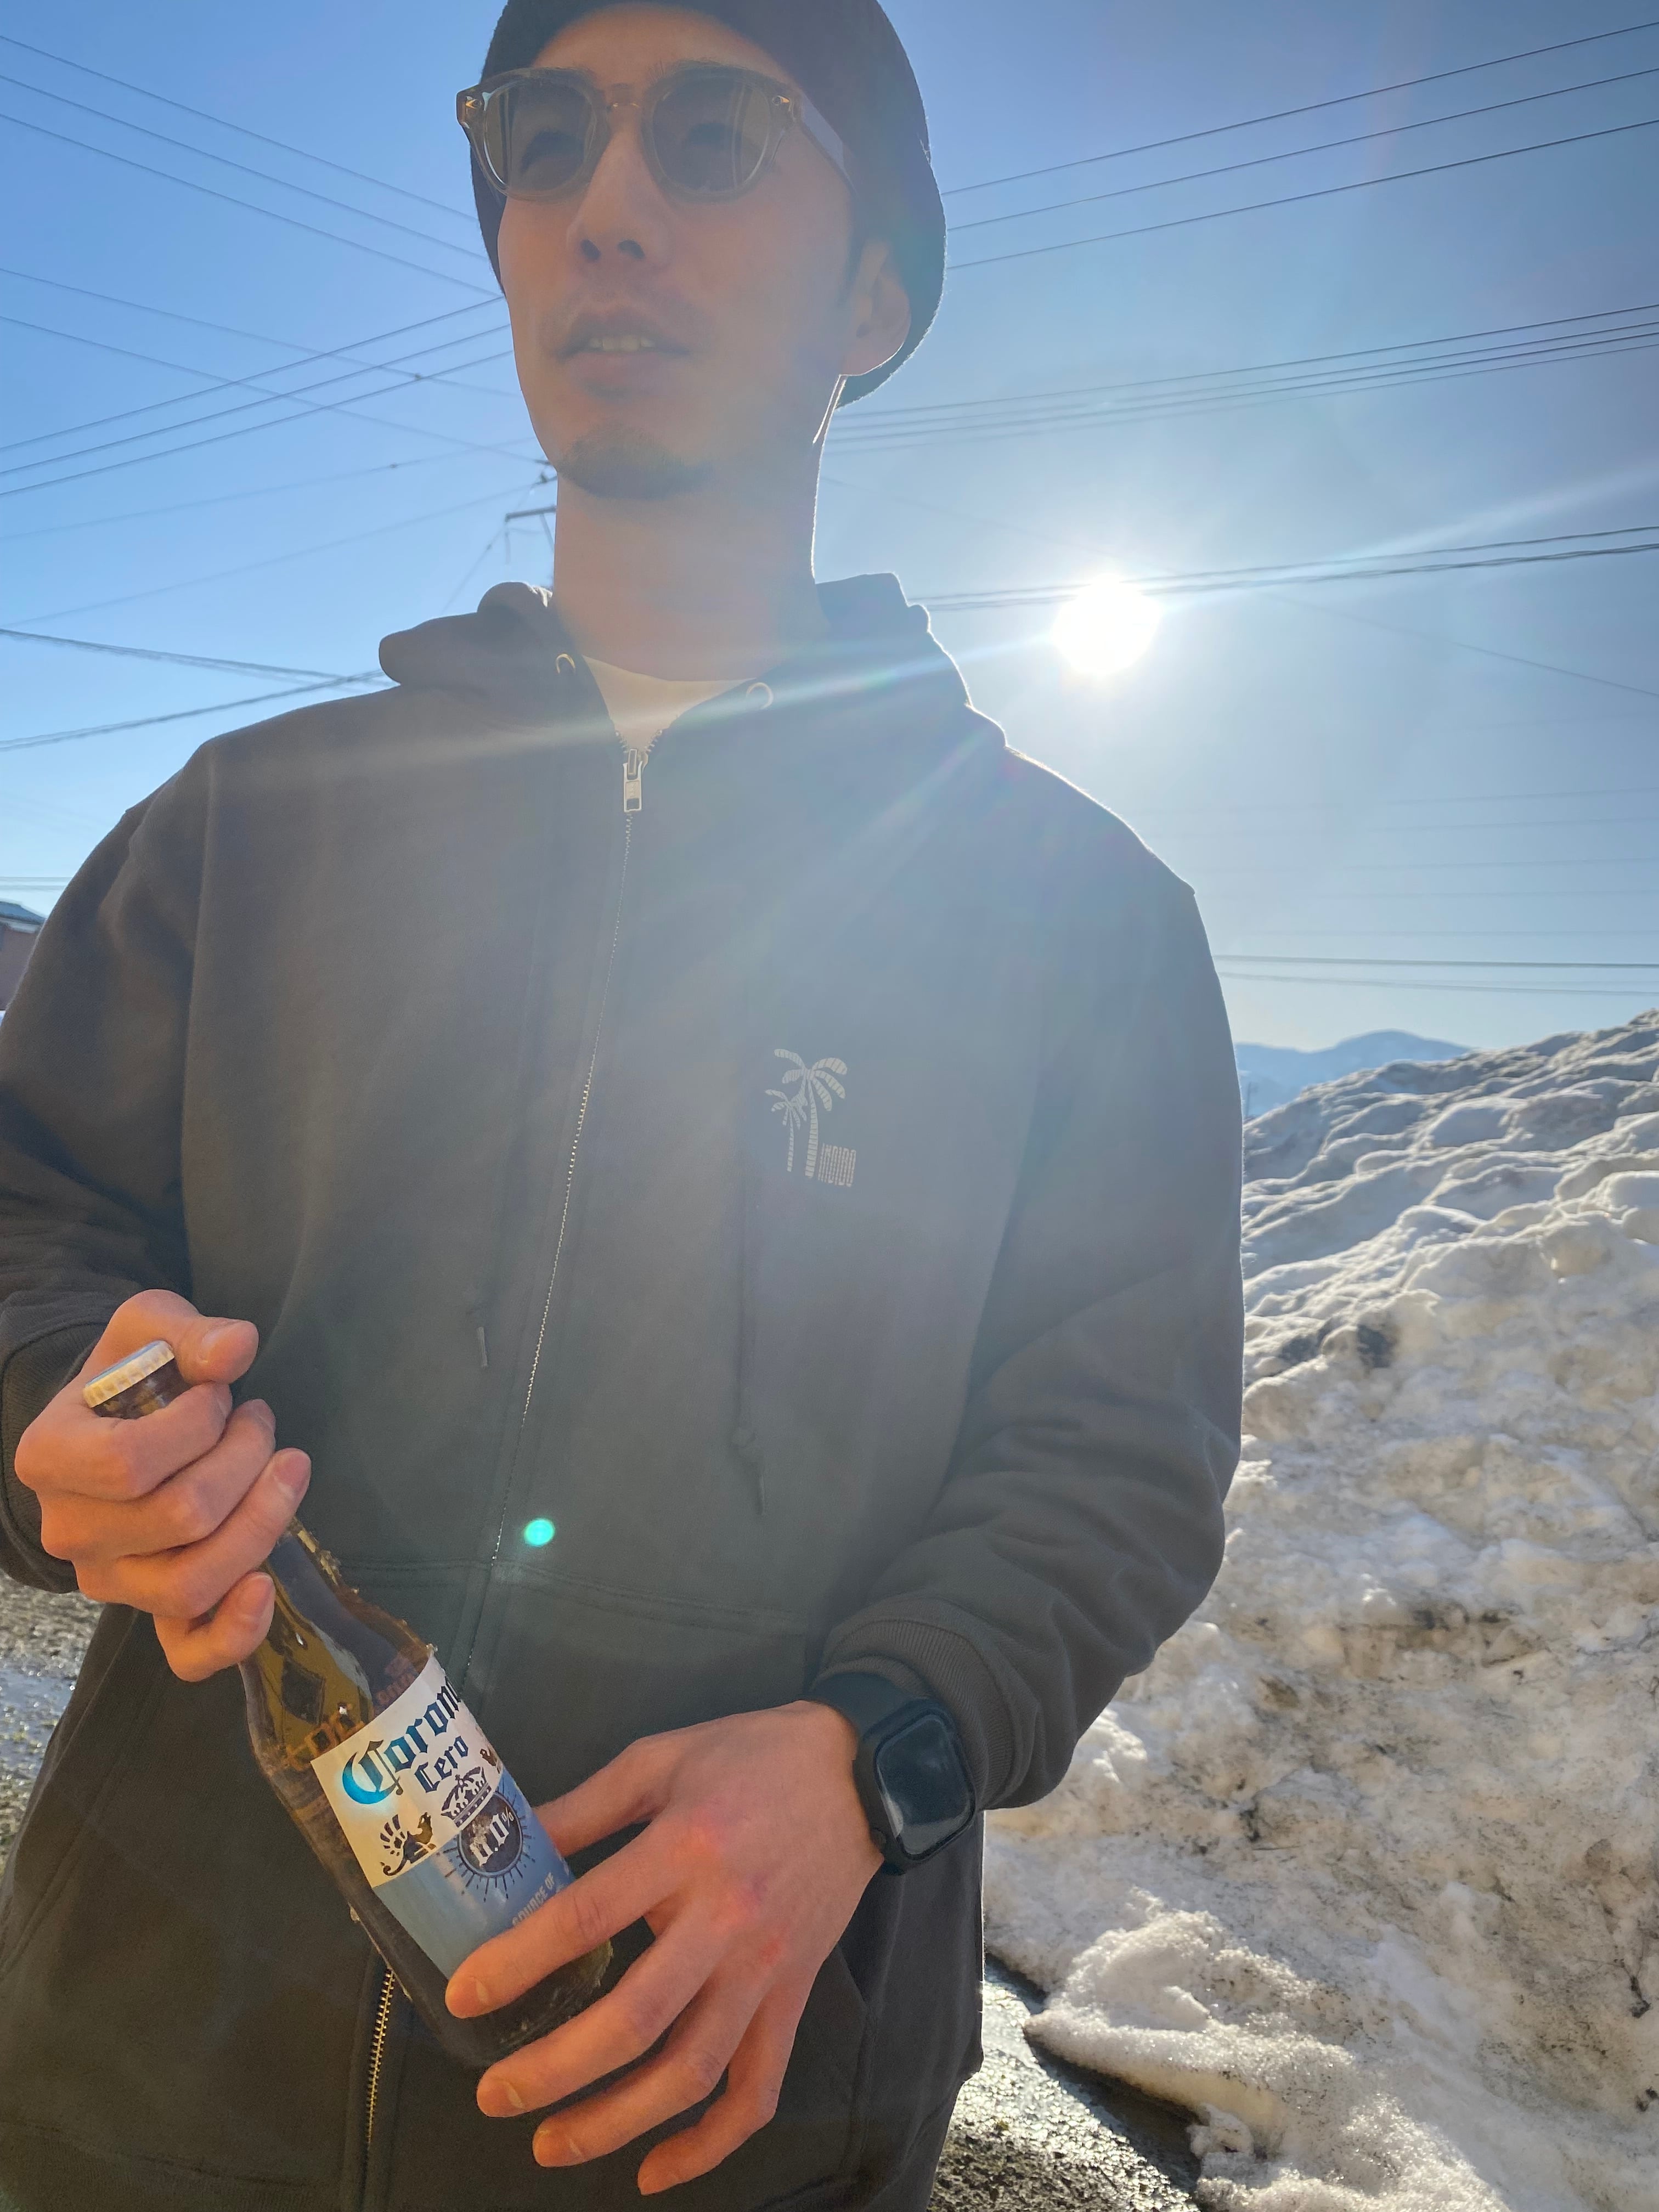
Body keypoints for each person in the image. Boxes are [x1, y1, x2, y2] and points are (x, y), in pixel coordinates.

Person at [0, 4, 1244, 2207]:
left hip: (726, 2119)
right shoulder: (246, 828)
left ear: (877, 296)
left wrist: (871, 1761)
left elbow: (1116, 1459)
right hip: (140, 2067)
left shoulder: (1079, 922)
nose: (608, 209)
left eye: (718, 135)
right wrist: (56, 1412)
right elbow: (28, 1220)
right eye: (544, 139)